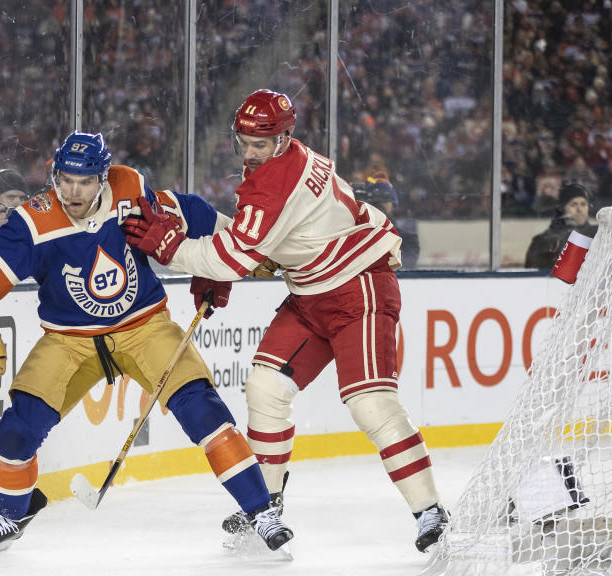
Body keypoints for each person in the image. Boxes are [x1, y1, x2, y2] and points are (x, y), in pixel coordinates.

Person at [122, 89, 448, 552]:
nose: (250, 152)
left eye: (261, 142)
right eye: (243, 142)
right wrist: (220, 262)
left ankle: (430, 510)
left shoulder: (277, 179)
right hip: (312, 290)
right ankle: (266, 505)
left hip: (359, 286)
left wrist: (170, 247)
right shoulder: (280, 160)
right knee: (266, 387)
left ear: (285, 137)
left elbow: (237, 253)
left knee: (371, 403)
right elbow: (262, 244)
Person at [0, 131, 294, 555]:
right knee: (16, 432)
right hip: (69, 340)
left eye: (86, 181)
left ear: (103, 178)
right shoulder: (34, 220)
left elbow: (192, 213)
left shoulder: (130, 189)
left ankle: (261, 511)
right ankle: (12, 516)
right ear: (55, 175)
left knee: (202, 409)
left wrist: (236, 253)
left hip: (144, 327)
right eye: (65, 179)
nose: (73, 191)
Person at [351, 177, 420, 269]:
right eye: (376, 202)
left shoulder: (408, 240)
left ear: (393, 204)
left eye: (385, 199)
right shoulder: (354, 234)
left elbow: (405, 264)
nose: (380, 205)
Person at [525, 181, 596, 269]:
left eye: (583, 204)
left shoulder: (598, 235)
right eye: (573, 204)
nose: (579, 209)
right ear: (563, 208)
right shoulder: (543, 241)